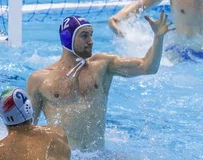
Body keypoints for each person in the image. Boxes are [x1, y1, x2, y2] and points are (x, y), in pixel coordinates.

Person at [26, 11, 173, 150]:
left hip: (99, 158)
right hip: (67, 159)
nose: (90, 41)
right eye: (84, 35)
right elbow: (27, 130)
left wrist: (158, 37)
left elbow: (147, 67)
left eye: (91, 35)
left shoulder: (102, 65)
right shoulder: (40, 79)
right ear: (67, 38)